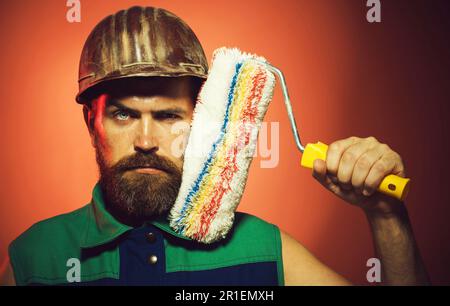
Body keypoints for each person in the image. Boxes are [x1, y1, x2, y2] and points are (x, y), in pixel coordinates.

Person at [0, 6, 429, 286]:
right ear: (91, 121)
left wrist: (386, 215)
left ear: (204, 121)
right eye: (123, 114)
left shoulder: (264, 250)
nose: (146, 141)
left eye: (168, 116)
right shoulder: (34, 260)